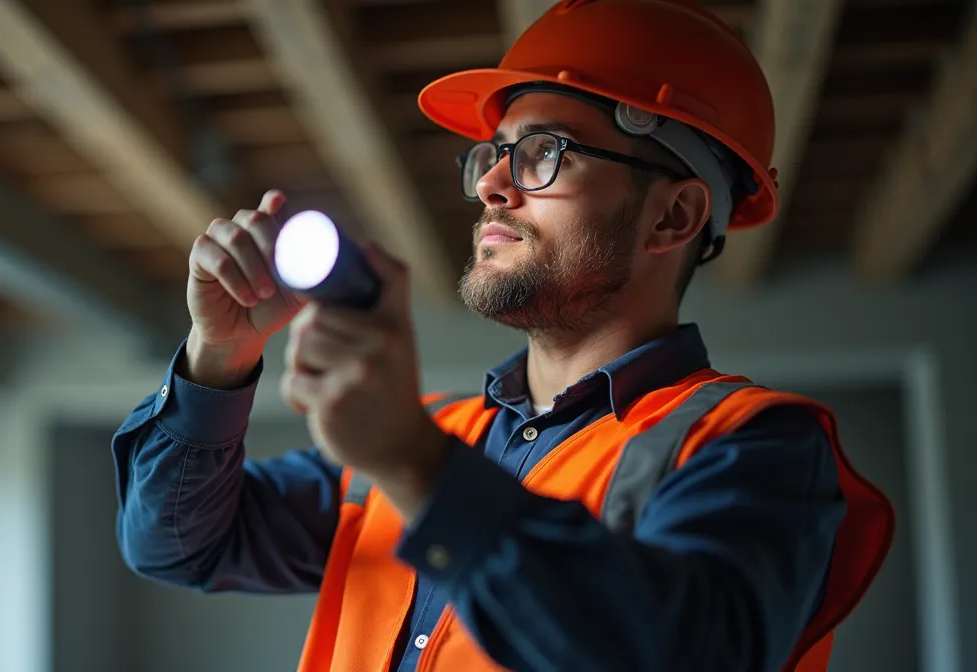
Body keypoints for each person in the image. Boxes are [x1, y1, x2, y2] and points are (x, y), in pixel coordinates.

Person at [111, 1, 895, 670]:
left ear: (674, 216)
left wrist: (416, 464)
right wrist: (218, 359)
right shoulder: (427, 437)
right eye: (494, 154)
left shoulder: (752, 449)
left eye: (544, 153)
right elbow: (174, 546)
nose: (491, 183)